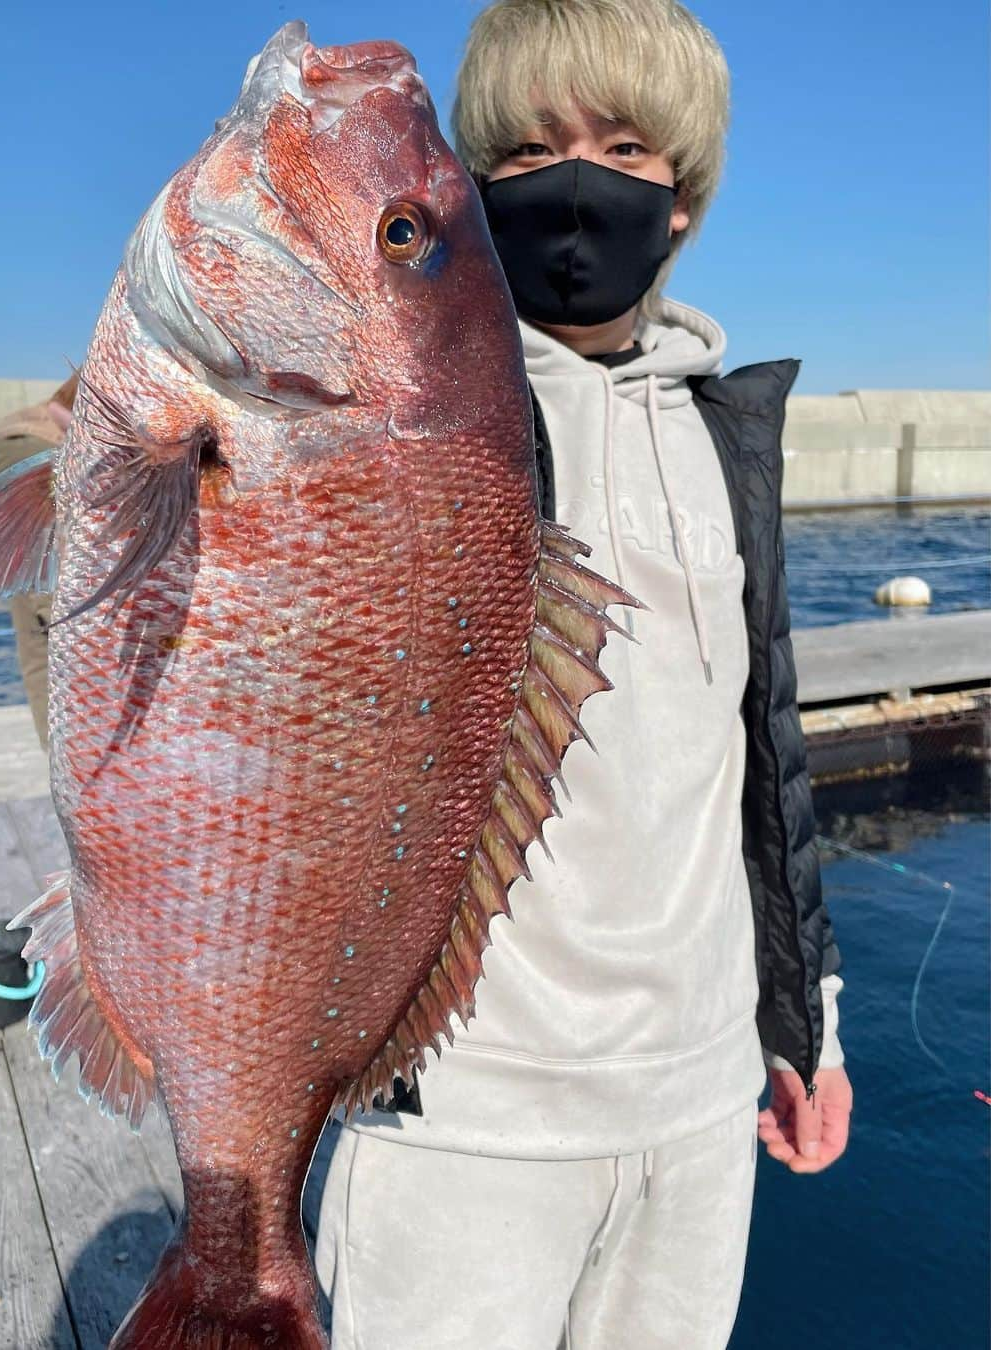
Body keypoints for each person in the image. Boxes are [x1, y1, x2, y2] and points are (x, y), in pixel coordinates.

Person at [313, 2, 854, 1345]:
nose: (576, 181)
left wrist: (810, 1024)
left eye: (624, 144)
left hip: (699, 1106)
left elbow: (760, 754)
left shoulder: (730, 436)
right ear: (472, 180)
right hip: (464, 1116)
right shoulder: (410, 413)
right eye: (532, 145)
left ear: (684, 198)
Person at [0, 371, 76, 747]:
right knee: (61, 617)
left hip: (18, 455)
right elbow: (63, 411)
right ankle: (73, 756)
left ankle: (57, 753)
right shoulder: (125, 360)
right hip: (41, 451)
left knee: (36, 633)